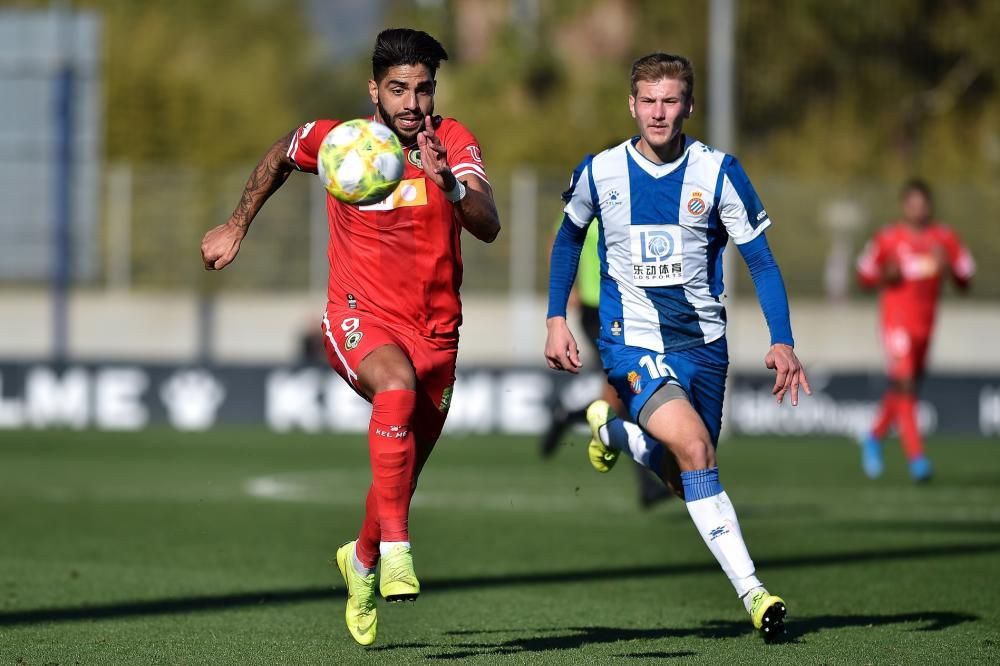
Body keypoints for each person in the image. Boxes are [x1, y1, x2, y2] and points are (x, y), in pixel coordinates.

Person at [199, 28, 500, 646]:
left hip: (438, 336)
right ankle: (396, 549)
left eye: (423, 89)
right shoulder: (343, 142)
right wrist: (236, 224)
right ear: (375, 90)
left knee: (401, 475)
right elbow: (286, 149)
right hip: (358, 317)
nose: (413, 103)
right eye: (399, 90)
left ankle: (360, 561)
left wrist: (450, 186)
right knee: (394, 387)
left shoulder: (452, 142)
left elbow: (489, 224)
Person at [544, 52, 810, 641]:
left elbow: (760, 260)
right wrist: (555, 319)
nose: (658, 114)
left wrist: (782, 339)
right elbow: (567, 242)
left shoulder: (718, 173)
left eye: (670, 101)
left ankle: (614, 432)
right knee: (694, 447)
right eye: (648, 101)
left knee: (685, 471)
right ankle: (756, 594)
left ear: (689, 105)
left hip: (704, 347)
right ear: (631, 104)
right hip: (629, 341)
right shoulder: (600, 171)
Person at [539, 200, 671, 509]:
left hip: (627, 310)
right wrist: (566, 288)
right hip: (595, 310)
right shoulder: (586, 203)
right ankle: (647, 485)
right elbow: (557, 243)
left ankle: (566, 416)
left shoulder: (632, 205)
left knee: (622, 393)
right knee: (627, 391)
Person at [856, 179, 974, 482]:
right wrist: (885, 274)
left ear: (929, 205)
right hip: (896, 321)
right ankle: (917, 459)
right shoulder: (889, 238)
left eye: (923, 203)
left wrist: (949, 269)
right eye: (912, 203)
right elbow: (864, 274)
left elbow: (965, 279)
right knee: (905, 383)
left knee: (905, 387)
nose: (917, 209)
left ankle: (873, 436)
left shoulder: (943, 238)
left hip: (926, 325)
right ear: (904, 205)